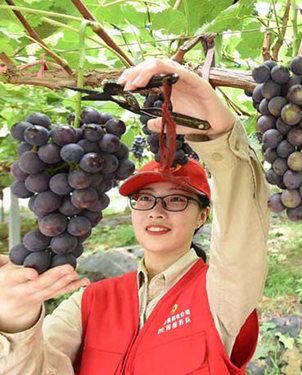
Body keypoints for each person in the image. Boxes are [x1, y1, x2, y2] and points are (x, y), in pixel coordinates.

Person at [0, 59, 270, 374]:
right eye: (144, 199)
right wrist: (15, 324)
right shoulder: (90, 300)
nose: (157, 210)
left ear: (202, 217)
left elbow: (243, 232)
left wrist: (221, 137)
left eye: (176, 200)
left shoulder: (221, 294)